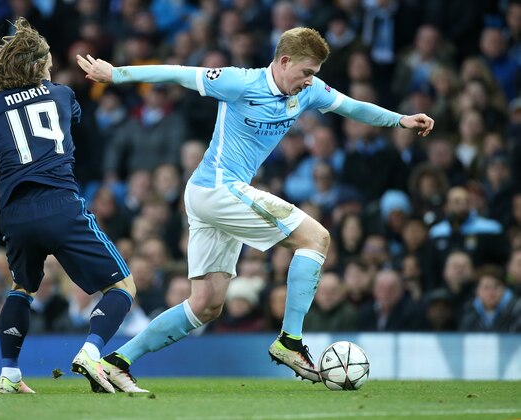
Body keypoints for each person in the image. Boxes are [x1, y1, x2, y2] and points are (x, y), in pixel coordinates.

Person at [77, 26, 434, 392]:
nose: (309, 80)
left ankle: (117, 362)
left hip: (211, 196)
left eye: (314, 74)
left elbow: (352, 107)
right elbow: (177, 72)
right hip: (217, 188)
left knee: (205, 305)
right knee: (316, 238)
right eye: (306, 71)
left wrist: (400, 119)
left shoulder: (308, 92)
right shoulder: (239, 82)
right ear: (284, 61)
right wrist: (116, 74)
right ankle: (290, 341)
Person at [0, 18, 136, 394]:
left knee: (22, 287)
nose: (53, 66)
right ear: (39, 65)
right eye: (49, 61)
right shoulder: (62, 95)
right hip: (60, 204)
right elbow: (71, 126)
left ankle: (9, 373)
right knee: (123, 286)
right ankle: (90, 353)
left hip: (15, 215)